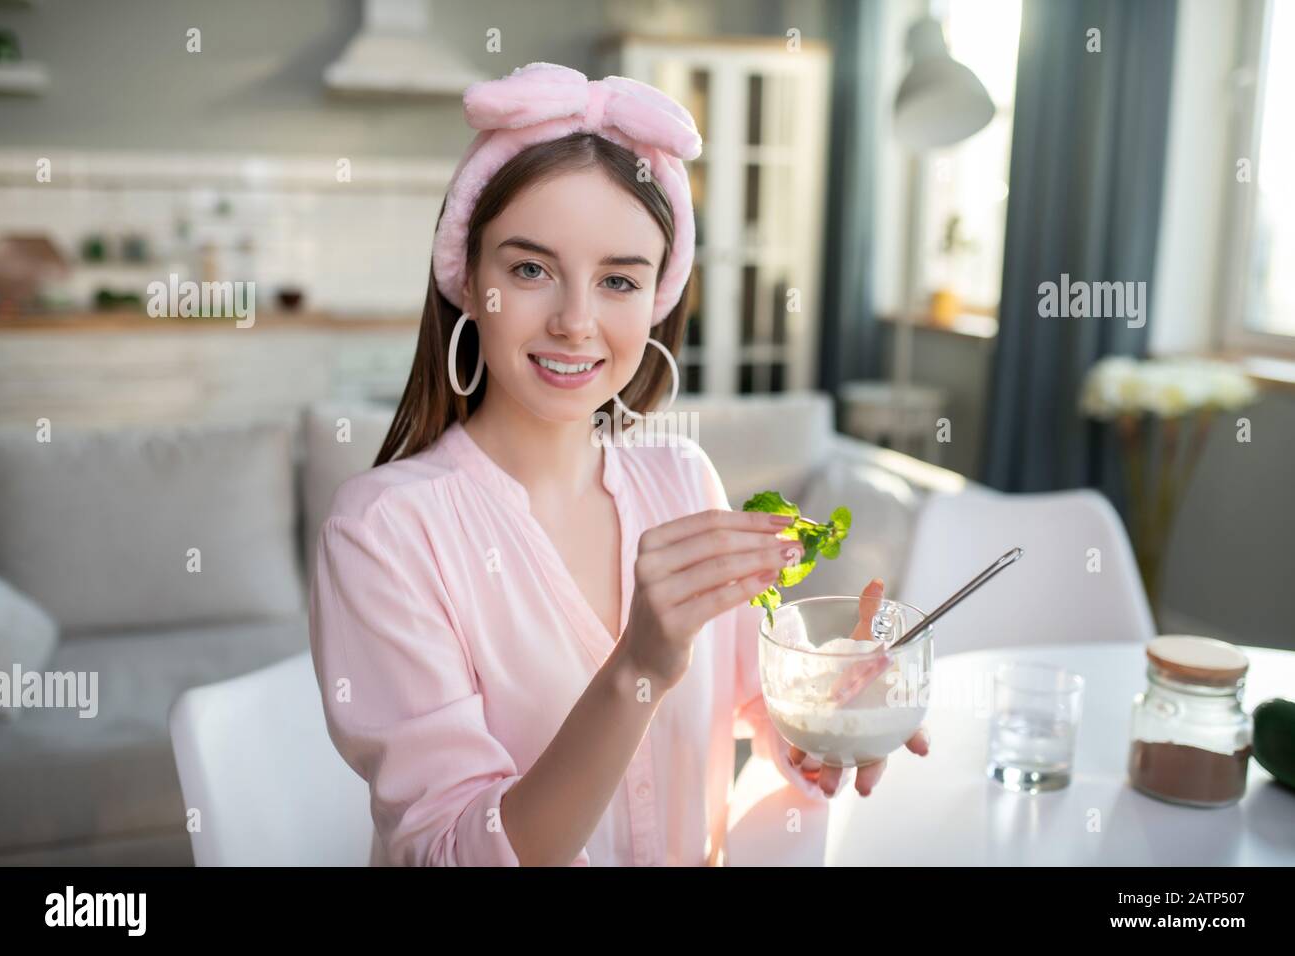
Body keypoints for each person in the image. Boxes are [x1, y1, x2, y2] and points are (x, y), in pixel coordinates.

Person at [308, 62, 928, 867]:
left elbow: (751, 706)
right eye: (530, 269)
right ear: (468, 280)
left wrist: (830, 715)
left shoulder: (682, 480)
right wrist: (635, 668)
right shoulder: (382, 533)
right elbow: (448, 854)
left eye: (618, 280)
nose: (575, 321)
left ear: (659, 297)